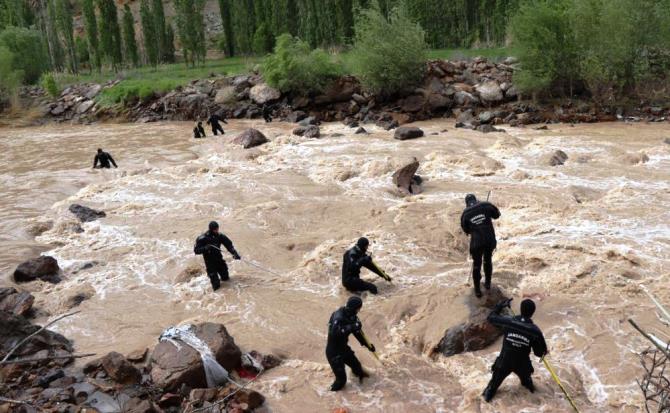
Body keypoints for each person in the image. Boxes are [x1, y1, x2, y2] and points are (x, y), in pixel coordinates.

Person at [483, 298, 547, 402]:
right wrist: (544, 351)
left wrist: (500, 306)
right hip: (522, 365)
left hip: (504, 362)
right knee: (529, 387)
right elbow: (539, 353)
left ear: (521, 309)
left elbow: (491, 318)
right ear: (532, 313)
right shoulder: (535, 331)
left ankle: (484, 404)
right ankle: (536, 404)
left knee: (491, 389)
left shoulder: (509, 321)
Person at [326, 296, 375, 391]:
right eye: (358, 308)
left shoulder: (352, 316)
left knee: (358, 368)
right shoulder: (338, 316)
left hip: (344, 349)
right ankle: (327, 394)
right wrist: (352, 327)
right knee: (341, 381)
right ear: (354, 308)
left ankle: (364, 390)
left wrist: (367, 345)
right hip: (334, 353)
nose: (359, 310)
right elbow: (334, 333)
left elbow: (358, 333)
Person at [460, 193, 501, 297]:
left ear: (467, 204)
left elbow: (466, 230)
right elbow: (497, 215)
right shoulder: (486, 205)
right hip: (489, 239)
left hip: (476, 243)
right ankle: (487, 284)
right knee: (488, 260)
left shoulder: (465, 214)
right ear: (476, 200)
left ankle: (477, 290)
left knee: (477, 265)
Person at [193, 221, 241, 290]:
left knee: (226, 278)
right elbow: (196, 251)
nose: (216, 231)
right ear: (211, 229)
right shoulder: (202, 238)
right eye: (215, 230)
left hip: (219, 260)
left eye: (217, 229)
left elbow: (229, 245)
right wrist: (206, 248)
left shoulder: (220, 236)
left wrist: (235, 253)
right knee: (216, 285)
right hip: (210, 263)